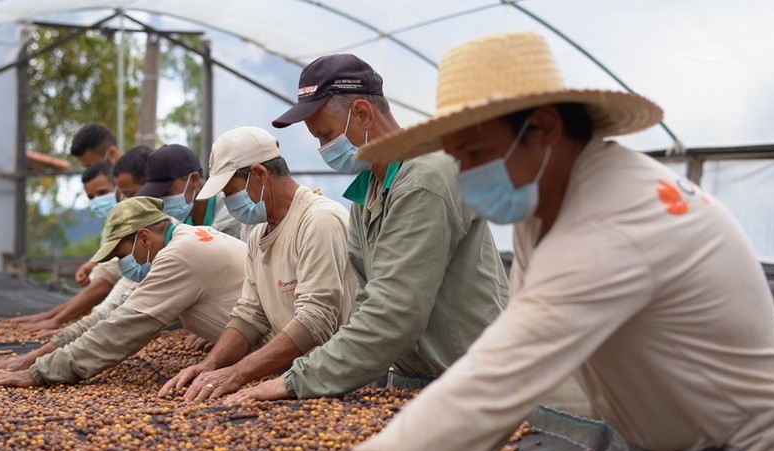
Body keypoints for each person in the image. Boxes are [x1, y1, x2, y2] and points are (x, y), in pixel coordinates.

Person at [168, 32, 774, 451]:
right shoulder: (552, 206)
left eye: (475, 152)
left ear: (540, 130)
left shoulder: (614, 222)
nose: (466, 174)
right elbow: (520, 372)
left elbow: (504, 368)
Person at [223, 51, 509, 403]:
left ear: (362, 113)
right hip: (421, 382)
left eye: (326, 135)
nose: (323, 148)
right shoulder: (366, 193)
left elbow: (394, 311)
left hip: (473, 383)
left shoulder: (424, 178)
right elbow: (368, 303)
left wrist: (295, 381)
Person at [160, 127, 357, 401]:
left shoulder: (319, 219)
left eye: (231, 192)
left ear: (260, 174)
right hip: (294, 374)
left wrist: (239, 373)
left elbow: (316, 319)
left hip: (339, 379)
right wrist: (210, 365)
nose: (229, 202)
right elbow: (250, 314)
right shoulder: (256, 233)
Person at [0, 196, 247, 387]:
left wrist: (40, 373)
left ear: (143, 237)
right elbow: (112, 316)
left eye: (121, 254)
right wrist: (33, 358)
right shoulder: (182, 241)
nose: (122, 264)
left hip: (264, 357)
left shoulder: (181, 255)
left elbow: (121, 330)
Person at [10, 162, 122, 331]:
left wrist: (57, 320)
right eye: (91, 197)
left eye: (103, 193)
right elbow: (108, 266)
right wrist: (92, 264)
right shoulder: (112, 220)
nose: (97, 201)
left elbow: (109, 277)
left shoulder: (131, 219)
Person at [138, 144, 245, 240]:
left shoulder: (232, 209)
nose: (164, 201)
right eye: (159, 196)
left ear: (195, 180)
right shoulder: (183, 222)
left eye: (168, 193)